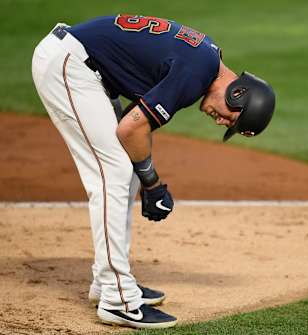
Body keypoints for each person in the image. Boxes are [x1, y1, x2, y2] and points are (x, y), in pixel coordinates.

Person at [31, 14, 275, 329]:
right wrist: (153, 184)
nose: (221, 122)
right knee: (115, 174)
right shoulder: (196, 73)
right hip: (70, 65)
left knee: (125, 170)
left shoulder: (205, 61)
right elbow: (131, 129)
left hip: (79, 64)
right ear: (237, 94)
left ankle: (109, 282)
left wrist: (145, 177)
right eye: (231, 119)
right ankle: (118, 299)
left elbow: (135, 119)